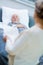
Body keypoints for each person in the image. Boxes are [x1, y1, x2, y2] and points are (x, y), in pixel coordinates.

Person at [5, 0, 43, 65]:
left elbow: (11, 51)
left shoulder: (29, 32)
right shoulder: (33, 31)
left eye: (16, 16)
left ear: (35, 14)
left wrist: (7, 39)